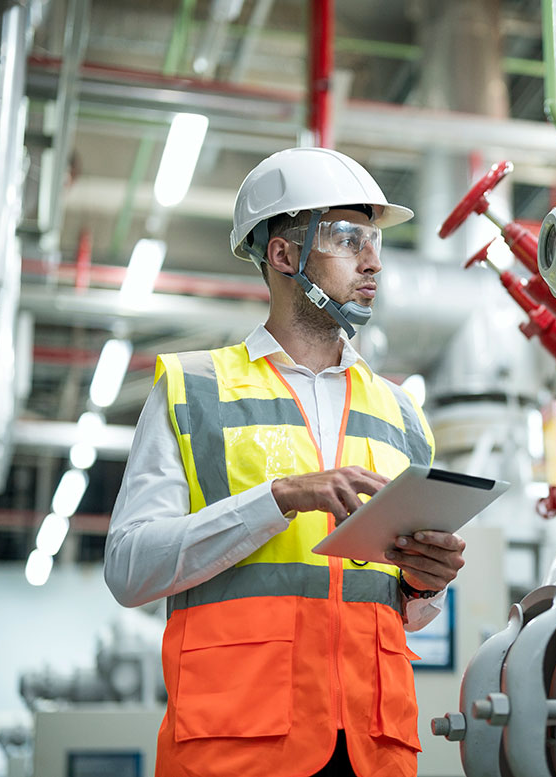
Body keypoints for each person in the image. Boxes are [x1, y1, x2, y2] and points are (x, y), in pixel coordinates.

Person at [104, 147, 466, 777]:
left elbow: (397, 610)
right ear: (284, 255)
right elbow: (130, 571)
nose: (373, 260)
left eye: (374, 240)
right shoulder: (196, 390)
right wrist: (279, 498)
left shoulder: (402, 413)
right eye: (349, 238)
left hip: (372, 750)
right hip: (238, 748)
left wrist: (424, 580)